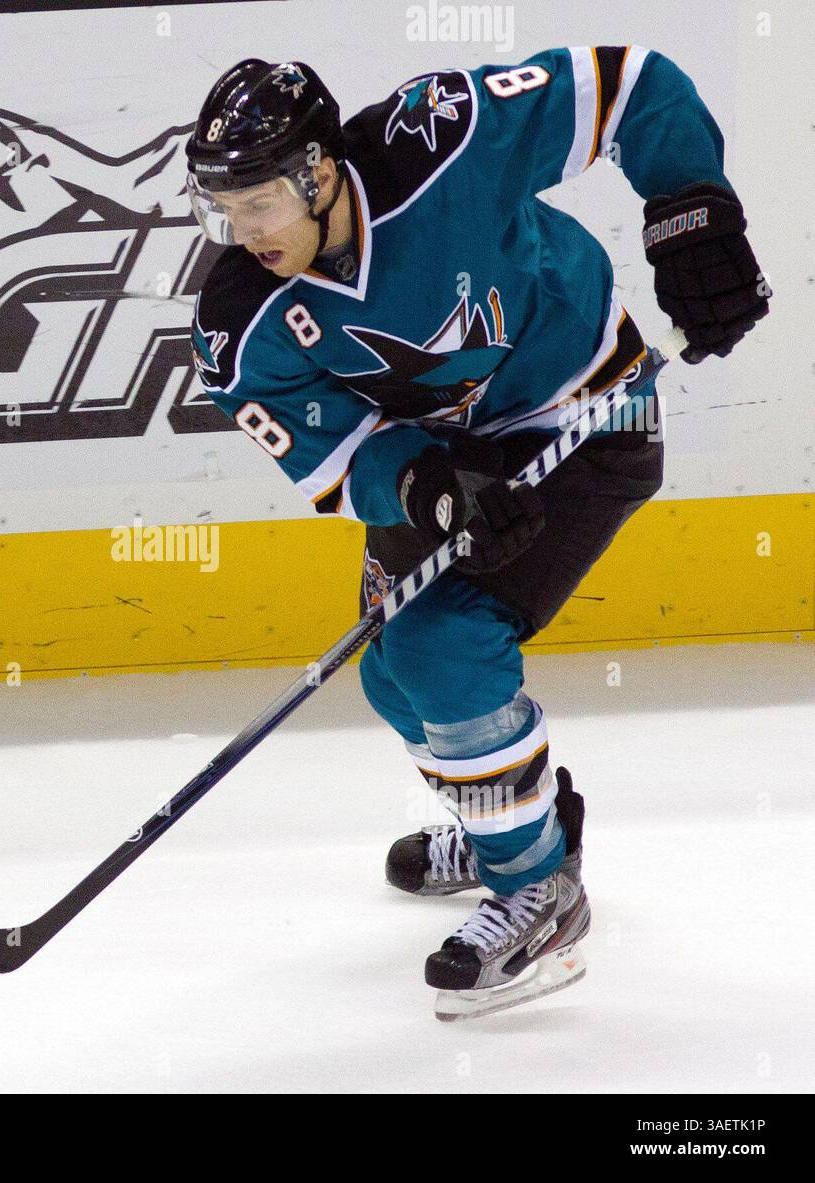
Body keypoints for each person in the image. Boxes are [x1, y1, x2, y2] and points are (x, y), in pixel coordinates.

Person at [185, 51, 767, 1020]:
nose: (241, 235)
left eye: (257, 206)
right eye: (223, 211)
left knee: (437, 641)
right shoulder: (240, 324)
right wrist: (431, 488)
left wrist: (689, 215)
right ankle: (517, 815)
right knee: (388, 670)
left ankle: (538, 886)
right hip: (453, 460)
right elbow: (341, 454)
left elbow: (631, 86)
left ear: (318, 173)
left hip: (586, 411)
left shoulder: (441, 139)